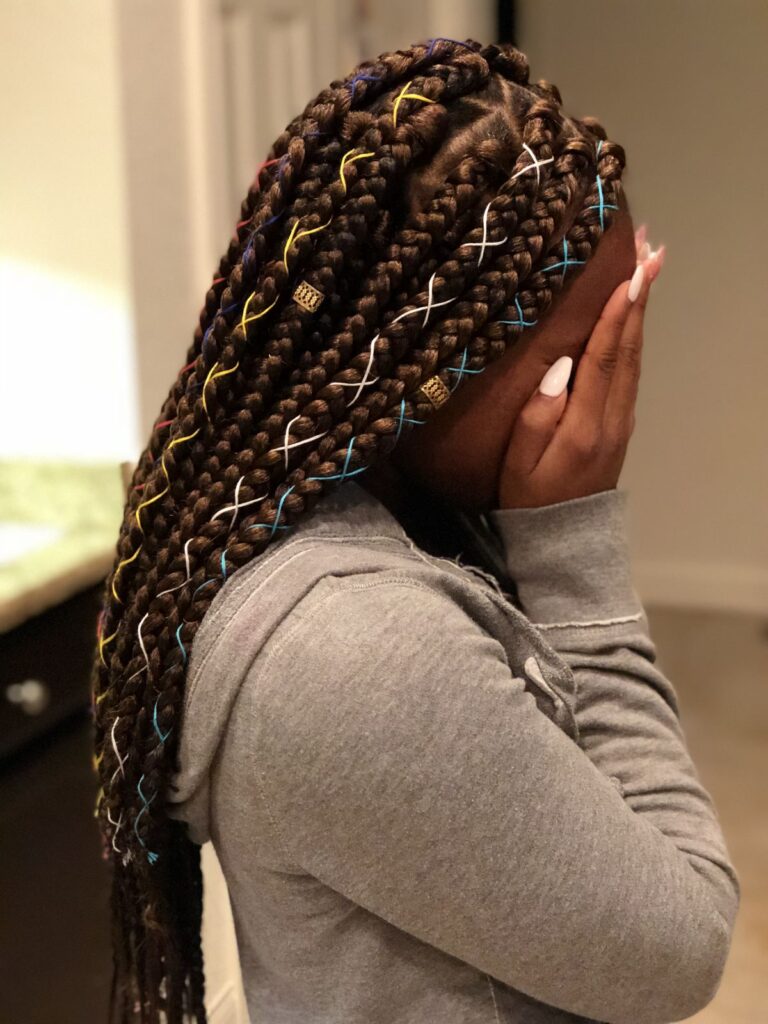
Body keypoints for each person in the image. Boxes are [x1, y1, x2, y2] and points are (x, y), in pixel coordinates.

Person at [90, 38, 739, 1024]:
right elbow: (680, 947)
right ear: (425, 365)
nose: (604, 403)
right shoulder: (354, 650)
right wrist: (575, 542)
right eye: (584, 359)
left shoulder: (372, 513)